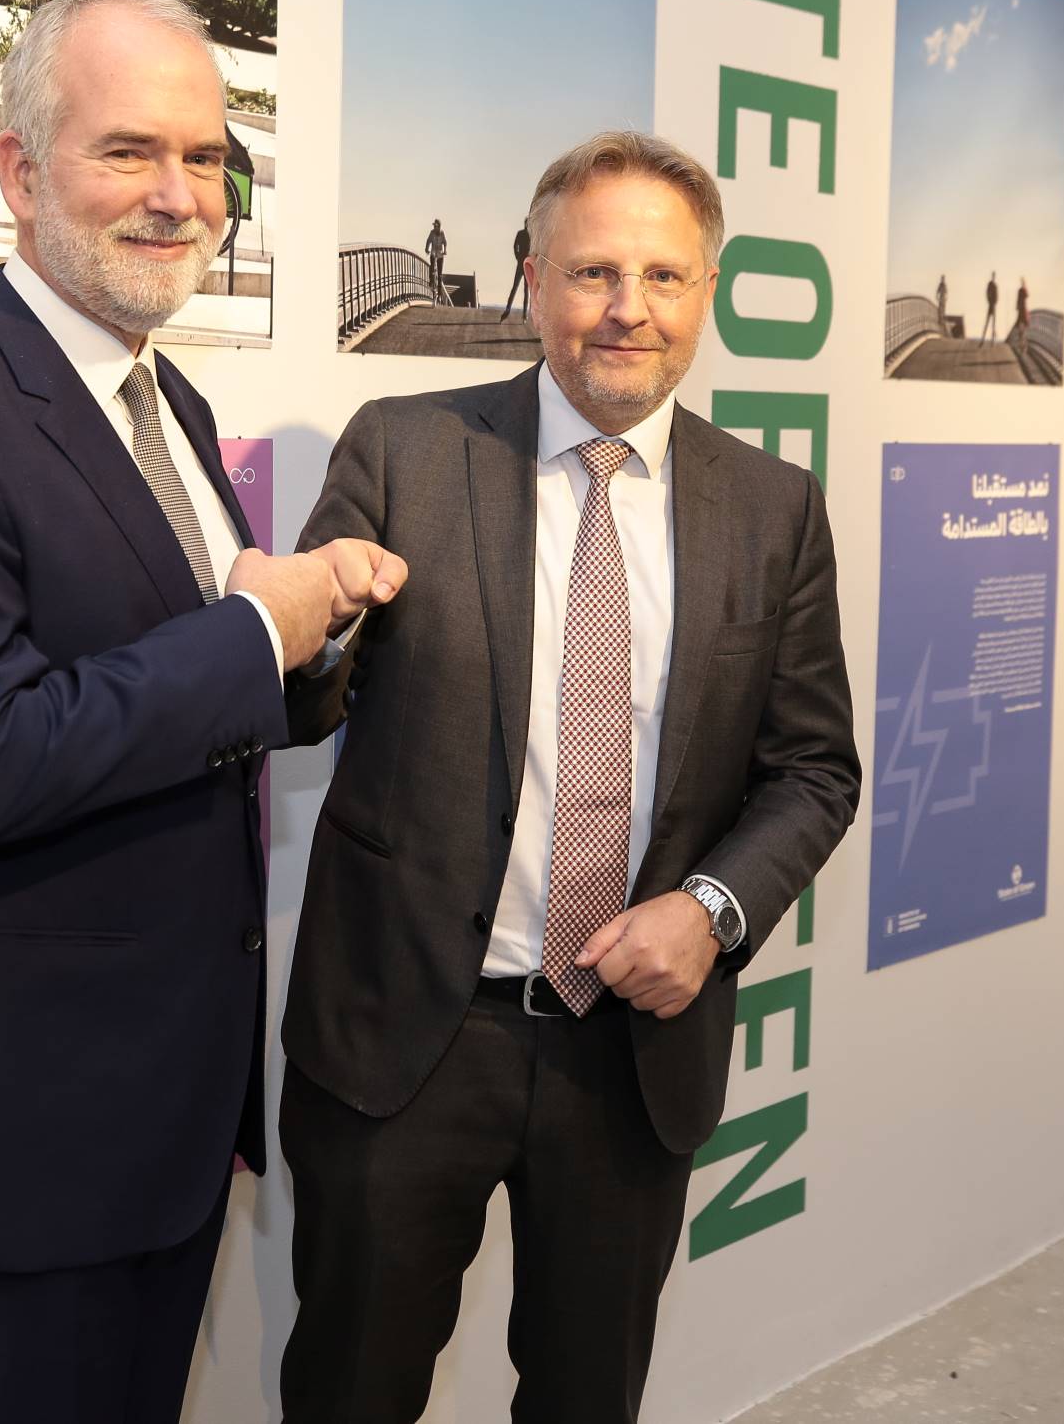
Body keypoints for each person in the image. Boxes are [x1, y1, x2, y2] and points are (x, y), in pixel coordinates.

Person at [0, 0, 401, 1423]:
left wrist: (313, 649)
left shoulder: (164, 397)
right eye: (129, 150)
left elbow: (181, 696)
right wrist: (253, 630)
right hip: (23, 1143)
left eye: (204, 157)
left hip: (164, 1118)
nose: (178, 196)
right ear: (20, 174)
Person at [276, 130, 863, 1424]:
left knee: (587, 1397)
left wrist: (710, 910)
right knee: (350, 1390)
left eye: (663, 276)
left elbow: (814, 769)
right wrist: (303, 625)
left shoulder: (773, 508)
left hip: (631, 1053)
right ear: (533, 279)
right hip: (406, 1041)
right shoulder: (404, 450)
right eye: (594, 271)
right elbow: (300, 708)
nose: (627, 308)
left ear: (707, 292)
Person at [500, 222, 532, 321]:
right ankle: (523, 314)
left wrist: (518, 257)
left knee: (517, 288)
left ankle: (510, 310)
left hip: (522, 263)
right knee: (524, 290)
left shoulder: (523, 233)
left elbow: (515, 247)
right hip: (525, 264)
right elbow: (516, 246)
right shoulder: (530, 235)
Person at [424, 217, 448, 298]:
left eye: (436, 226)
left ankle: (440, 293)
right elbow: (428, 241)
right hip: (434, 251)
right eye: (434, 226)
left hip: (440, 253)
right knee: (432, 266)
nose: (434, 227)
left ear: (439, 226)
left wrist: (445, 250)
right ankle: (431, 281)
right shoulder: (432, 233)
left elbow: (445, 242)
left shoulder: (442, 233)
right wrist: (426, 249)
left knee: (440, 274)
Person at [981, 270, 1000, 343]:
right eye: (993, 276)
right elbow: (987, 292)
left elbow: (997, 295)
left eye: (994, 276)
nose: (993, 277)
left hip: (993, 305)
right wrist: (989, 300)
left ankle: (992, 340)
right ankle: (983, 339)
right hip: (991, 305)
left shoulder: (995, 285)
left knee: (993, 323)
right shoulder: (990, 284)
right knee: (988, 322)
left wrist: (995, 302)